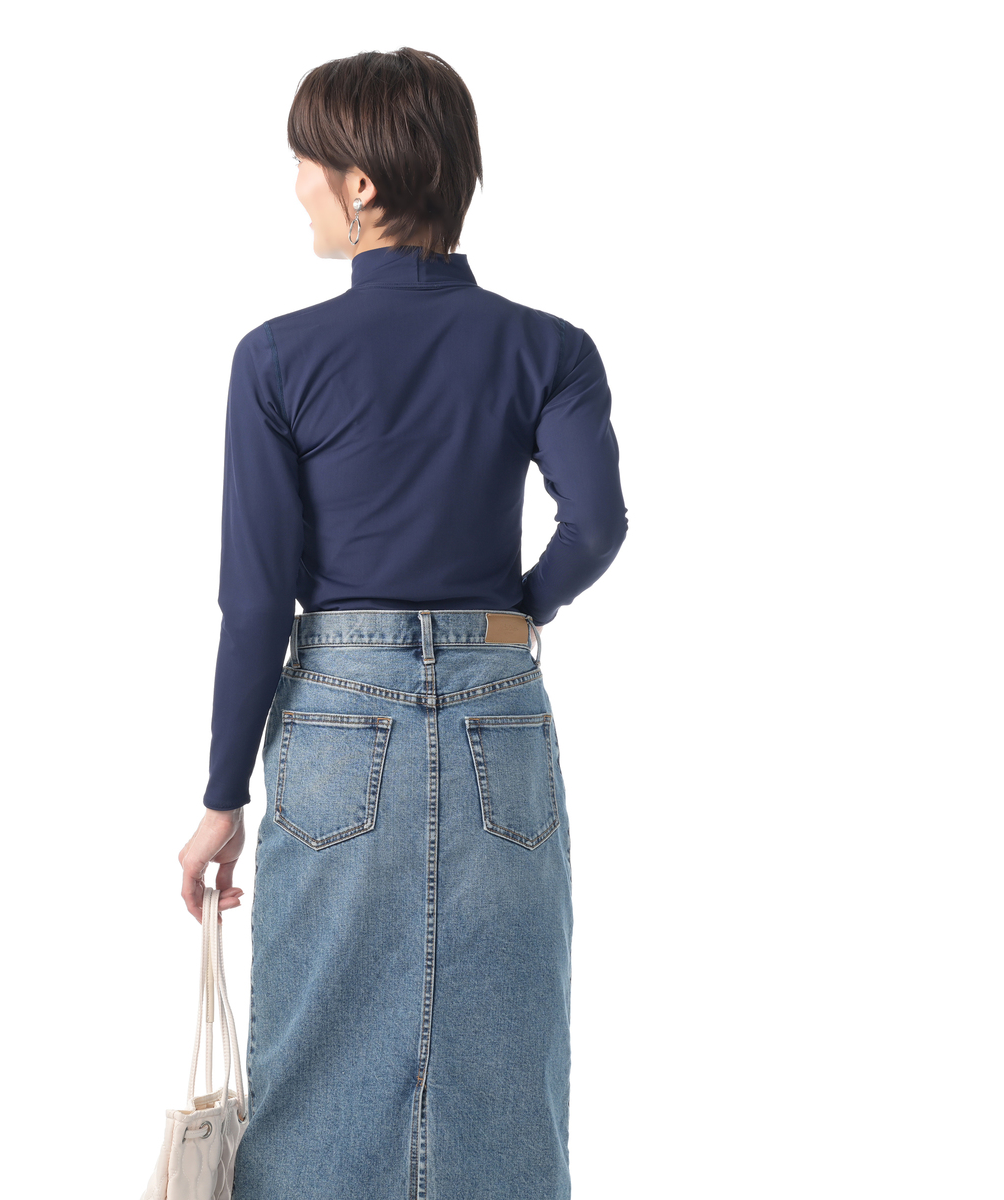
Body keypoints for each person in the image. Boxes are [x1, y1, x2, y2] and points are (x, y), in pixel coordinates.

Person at [177, 47, 627, 1200]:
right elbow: (597, 524)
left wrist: (223, 798)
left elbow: (255, 600)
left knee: (316, 1055)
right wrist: (519, 612)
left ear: (362, 184)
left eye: (307, 163)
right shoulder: (550, 349)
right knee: (507, 1054)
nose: (298, 187)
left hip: (338, 714)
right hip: (498, 710)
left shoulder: (277, 359)